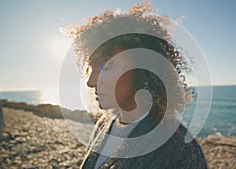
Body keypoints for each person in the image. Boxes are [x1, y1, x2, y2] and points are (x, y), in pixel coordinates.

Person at [65, 1, 208, 168]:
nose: (91, 82)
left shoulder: (179, 149)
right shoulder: (105, 124)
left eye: (106, 66)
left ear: (145, 70)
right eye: (91, 68)